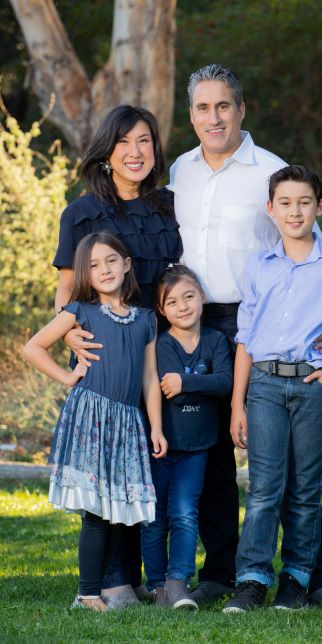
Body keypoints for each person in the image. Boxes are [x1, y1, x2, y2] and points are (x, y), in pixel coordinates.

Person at [169, 63, 322, 609]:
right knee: (212, 453)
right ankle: (223, 573)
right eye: (203, 108)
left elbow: (310, 246)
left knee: (288, 461)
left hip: (259, 327)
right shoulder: (180, 170)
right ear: (191, 115)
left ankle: (313, 579)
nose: (214, 117)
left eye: (223, 105)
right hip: (195, 324)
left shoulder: (269, 171)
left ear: (241, 110)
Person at [222, 165, 322, 612]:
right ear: (270, 209)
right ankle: (251, 580)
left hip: (315, 388)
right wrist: (237, 404)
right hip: (264, 386)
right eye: (286, 203)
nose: (295, 212)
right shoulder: (259, 266)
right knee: (263, 488)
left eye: (304, 202)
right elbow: (245, 338)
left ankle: (296, 581)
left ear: (319, 207)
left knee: (305, 491)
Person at [53, 105, 182, 607]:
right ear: (107, 152)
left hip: (156, 349)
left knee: (140, 464)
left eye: (144, 140)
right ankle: (110, 580)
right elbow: (67, 290)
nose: (135, 151)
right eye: (124, 142)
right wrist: (69, 335)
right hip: (103, 354)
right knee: (108, 467)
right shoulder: (81, 213)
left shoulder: (170, 205)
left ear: (155, 148)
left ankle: (139, 574)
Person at [22, 231, 167, 612]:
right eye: (93, 265)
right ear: (85, 273)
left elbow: (150, 378)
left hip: (128, 422)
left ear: (126, 264)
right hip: (91, 417)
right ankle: (87, 594)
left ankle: (107, 587)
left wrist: (155, 427)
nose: (104, 269)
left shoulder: (146, 319)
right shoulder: (79, 312)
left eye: (111, 260)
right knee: (96, 512)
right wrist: (68, 377)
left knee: (120, 511)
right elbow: (32, 348)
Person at [141, 264, 233, 609]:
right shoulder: (162, 344)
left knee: (184, 513)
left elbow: (225, 383)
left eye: (189, 296)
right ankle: (157, 585)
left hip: (198, 447)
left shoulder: (216, 340)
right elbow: (170, 392)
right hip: (163, 446)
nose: (182, 306)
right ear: (161, 310)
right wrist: (199, 385)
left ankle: (178, 581)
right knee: (155, 518)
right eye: (172, 302)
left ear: (203, 297)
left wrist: (187, 382)